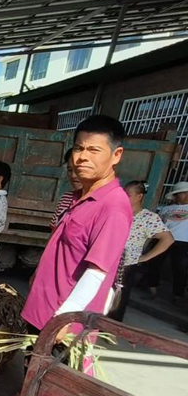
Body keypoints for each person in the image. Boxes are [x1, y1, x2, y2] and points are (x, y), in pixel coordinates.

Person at [23, 115, 132, 337]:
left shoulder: (113, 206)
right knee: (30, 370)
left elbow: (96, 272)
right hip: (41, 311)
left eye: (94, 150)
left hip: (63, 324)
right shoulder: (77, 197)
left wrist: (65, 318)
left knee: (55, 372)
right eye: (78, 148)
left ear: (116, 155)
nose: (82, 157)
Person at [107, 181, 173, 321]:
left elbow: (167, 239)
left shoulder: (148, 218)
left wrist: (145, 257)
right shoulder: (115, 212)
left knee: (118, 300)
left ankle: (110, 329)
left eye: (128, 195)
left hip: (126, 265)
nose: (124, 197)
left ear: (139, 196)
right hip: (106, 261)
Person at [152, 181, 188, 302]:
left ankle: (178, 295)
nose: (186, 196)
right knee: (155, 263)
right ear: (176, 195)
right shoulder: (165, 209)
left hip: (183, 242)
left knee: (180, 269)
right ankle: (152, 290)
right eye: (183, 193)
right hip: (164, 239)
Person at [50, 148, 81, 230]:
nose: (73, 176)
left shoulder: (100, 203)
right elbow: (54, 231)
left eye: (79, 170)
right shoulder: (66, 198)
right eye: (70, 170)